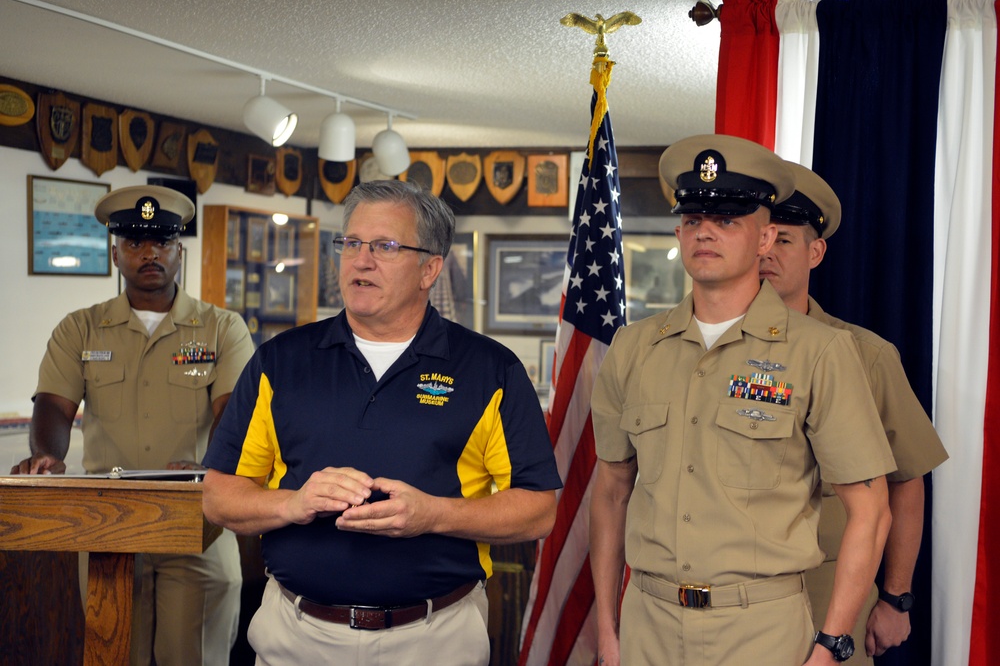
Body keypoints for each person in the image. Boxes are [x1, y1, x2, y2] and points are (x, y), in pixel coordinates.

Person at [200, 179, 561, 666]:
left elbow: (538, 509)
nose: (360, 260)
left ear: (430, 268)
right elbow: (219, 496)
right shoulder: (279, 362)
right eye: (350, 243)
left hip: (435, 639)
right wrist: (295, 503)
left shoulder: (490, 370)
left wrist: (435, 515)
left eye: (385, 246)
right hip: (297, 635)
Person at [589, 134, 897, 666]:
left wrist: (831, 645)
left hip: (762, 630)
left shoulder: (819, 352)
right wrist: (606, 625)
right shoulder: (633, 347)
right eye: (692, 218)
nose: (704, 231)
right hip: (648, 622)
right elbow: (611, 492)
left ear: (765, 238)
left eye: (727, 219)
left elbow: (870, 512)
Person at [10, 185, 253, 666]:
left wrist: (207, 466)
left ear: (179, 251)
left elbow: (234, 413)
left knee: (193, 659)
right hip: (109, 528)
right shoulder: (80, 328)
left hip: (196, 521)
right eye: (136, 243)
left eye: (162, 242)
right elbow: (55, 407)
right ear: (115, 252)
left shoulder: (222, 328)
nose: (150, 254)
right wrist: (48, 454)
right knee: (116, 656)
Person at [759, 161, 949, 663]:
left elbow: (907, 479)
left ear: (815, 251)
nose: (767, 253)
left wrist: (895, 597)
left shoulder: (864, 355)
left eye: (785, 240)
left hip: (826, 588)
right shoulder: (699, 353)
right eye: (761, 236)